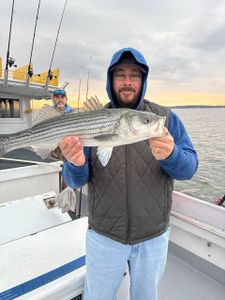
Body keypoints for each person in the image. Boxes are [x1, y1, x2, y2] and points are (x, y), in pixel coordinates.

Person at [59, 48, 199, 300]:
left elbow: (189, 168)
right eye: (120, 75)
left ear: (143, 81)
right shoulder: (92, 118)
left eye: (134, 75)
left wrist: (171, 155)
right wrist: (76, 163)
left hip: (153, 237)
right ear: (110, 81)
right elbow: (73, 181)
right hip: (104, 236)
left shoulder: (164, 118)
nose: (126, 81)